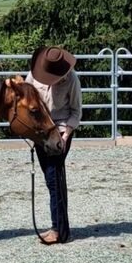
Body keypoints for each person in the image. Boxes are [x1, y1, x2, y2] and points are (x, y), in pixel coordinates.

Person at [25, 46, 82, 244]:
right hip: (41, 131)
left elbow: (76, 112)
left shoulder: (72, 79)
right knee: (53, 178)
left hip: (60, 131)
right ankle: (62, 228)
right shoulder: (32, 76)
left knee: (53, 177)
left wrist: (65, 136)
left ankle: (58, 230)